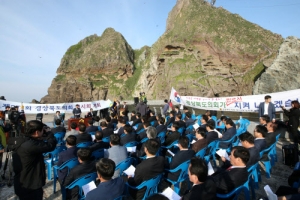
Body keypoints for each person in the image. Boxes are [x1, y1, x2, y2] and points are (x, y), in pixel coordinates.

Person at [10, 120, 57, 200]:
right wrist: (49, 133)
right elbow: (50, 145)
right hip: (31, 185)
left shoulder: (22, 140)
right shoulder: (31, 145)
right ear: (36, 132)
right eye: (42, 130)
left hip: (23, 182)